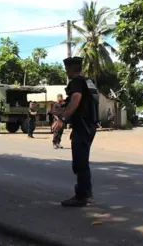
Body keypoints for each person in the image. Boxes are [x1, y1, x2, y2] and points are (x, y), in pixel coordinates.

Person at [52, 56, 99, 207]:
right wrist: (62, 109)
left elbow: (76, 100)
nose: (66, 72)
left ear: (72, 69)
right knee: (81, 161)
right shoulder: (88, 82)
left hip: (83, 126)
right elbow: (81, 102)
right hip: (89, 125)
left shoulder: (77, 82)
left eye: (67, 69)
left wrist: (63, 119)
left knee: (80, 162)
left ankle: (83, 196)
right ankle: (85, 193)